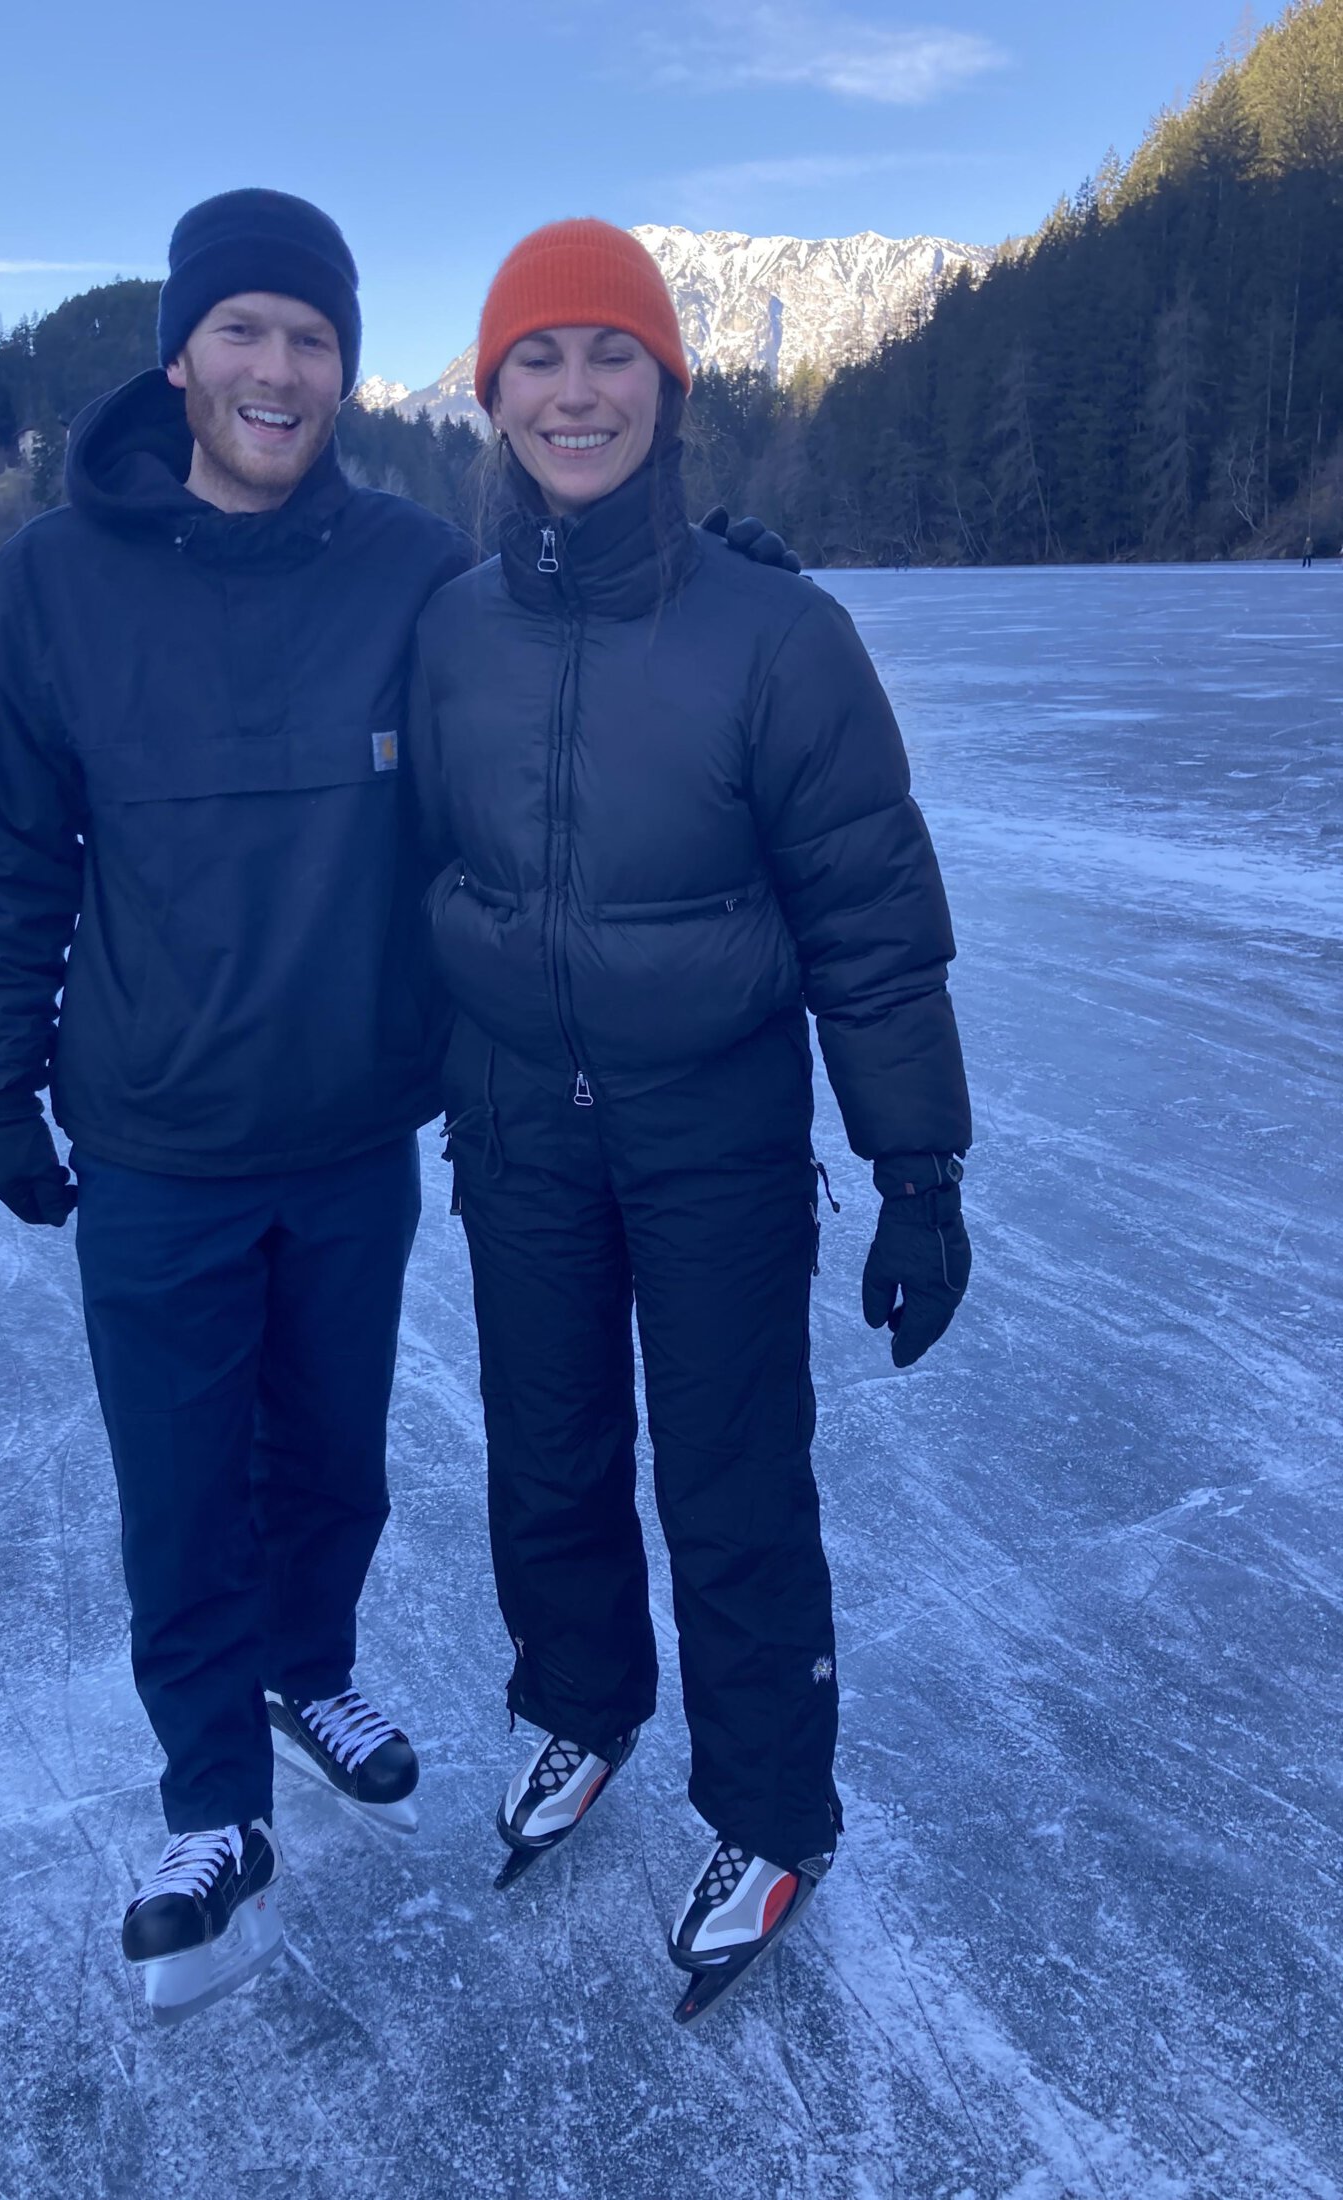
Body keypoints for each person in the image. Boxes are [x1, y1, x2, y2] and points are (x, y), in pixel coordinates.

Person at [408, 220, 974, 2024]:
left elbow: (869, 918)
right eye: (539, 359)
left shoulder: (776, 633)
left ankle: (770, 1811)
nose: (575, 393)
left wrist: (916, 1170)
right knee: (545, 1452)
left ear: (667, 385)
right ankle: (579, 1707)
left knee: (730, 1479)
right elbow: (421, 870)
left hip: (713, 1128)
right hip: (516, 1122)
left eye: (613, 356)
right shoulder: (451, 630)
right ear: (491, 394)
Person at [0, 190, 472, 2023]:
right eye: (243, 329)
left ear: (344, 370)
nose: (278, 367)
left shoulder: (411, 565)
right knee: (180, 1488)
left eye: (312, 338)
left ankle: (308, 1669)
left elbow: (542, 676)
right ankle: (210, 1810)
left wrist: (693, 585)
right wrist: (4, 1086)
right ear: (180, 357)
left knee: (332, 1455)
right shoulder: (49, 582)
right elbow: (12, 852)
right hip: (156, 1133)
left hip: (352, 1123)